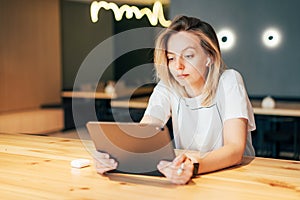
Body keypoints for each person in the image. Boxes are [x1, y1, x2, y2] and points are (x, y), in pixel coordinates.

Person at [93, 15, 256, 185]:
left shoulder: (229, 80)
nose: (178, 66)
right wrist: (115, 156)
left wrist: (193, 167)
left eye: (188, 56)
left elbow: (235, 149)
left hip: (234, 177)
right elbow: (146, 130)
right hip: (188, 176)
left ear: (210, 57)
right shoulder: (168, 86)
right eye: (171, 58)